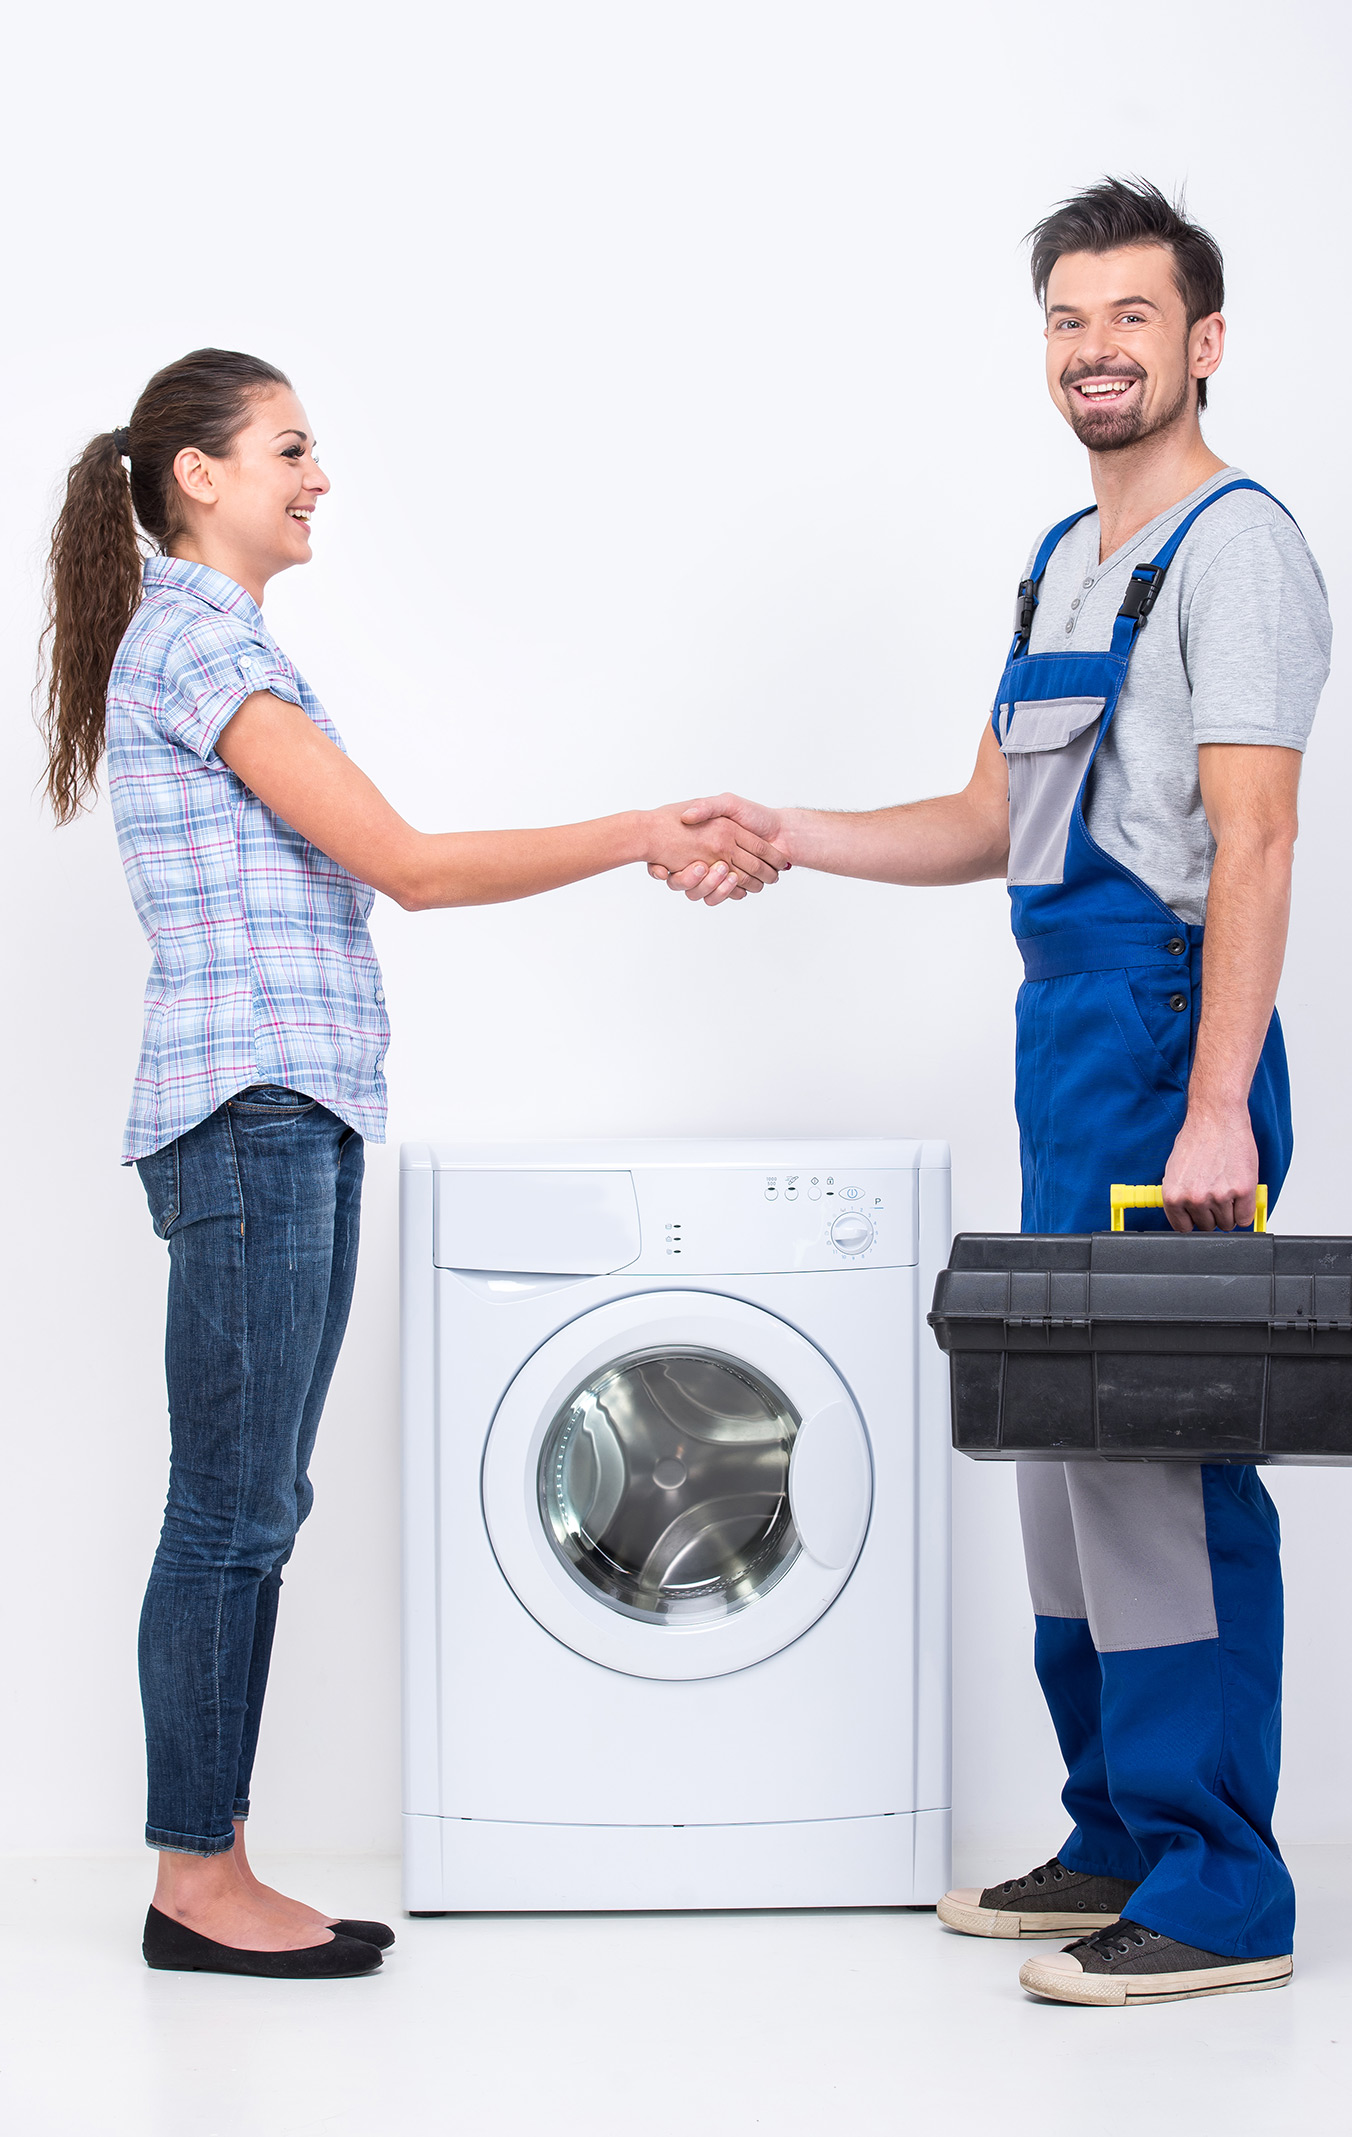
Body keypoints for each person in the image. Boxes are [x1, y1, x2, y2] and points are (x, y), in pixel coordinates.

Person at [655, 178, 1331, 2007]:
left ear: (1202, 344)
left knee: (1160, 1460)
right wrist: (793, 833)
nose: (1095, 349)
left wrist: (1213, 1115)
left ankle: (1221, 1879)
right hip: (1066, 1038)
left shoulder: (1236, 549)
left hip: (1171, 1032)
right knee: (1059, 1449)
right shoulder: (1063, 555)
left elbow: (1254, 841)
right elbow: (990, 821)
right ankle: (1115, 1828)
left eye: (1132, 317)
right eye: (1066, 318)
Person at [39, 348, 786, 1981]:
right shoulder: (197, 645)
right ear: (198, 477)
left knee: (255, 1502)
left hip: (289, 1106)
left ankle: (211, 1861)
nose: (318, 477)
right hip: (252, 1111)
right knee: (232, 1510)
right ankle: (196, 1878)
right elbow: (409, 867)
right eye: (289, 449)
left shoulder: (223, 648)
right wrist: (640, 827)